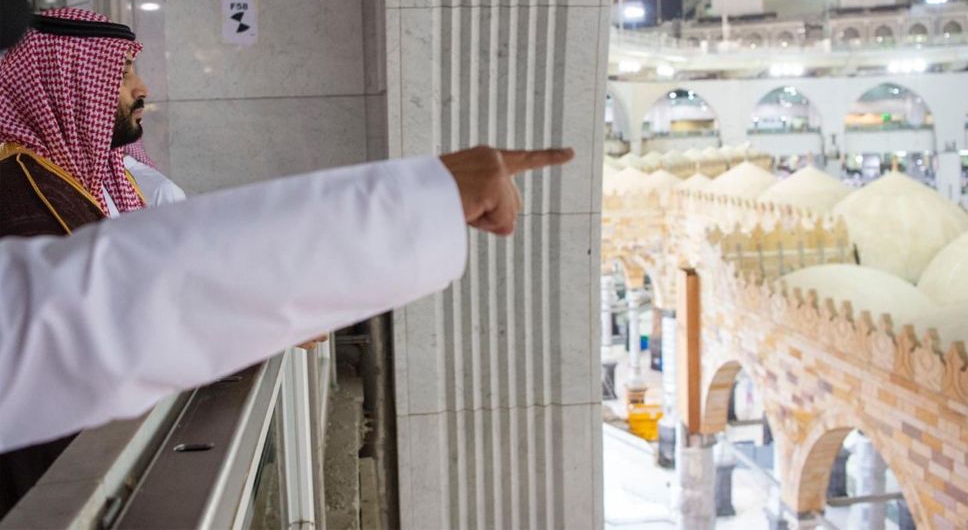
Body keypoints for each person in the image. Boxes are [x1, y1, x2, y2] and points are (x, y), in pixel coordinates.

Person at [0, 144, 573, 455]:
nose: (141, 90)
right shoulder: (22, 179)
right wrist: (410, 205)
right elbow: (70, 321)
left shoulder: (54, 173)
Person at [0, 8, 151, 514]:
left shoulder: (53, 182)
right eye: (121, 73)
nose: (140, 88)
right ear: (65, 85)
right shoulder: (24, 201)